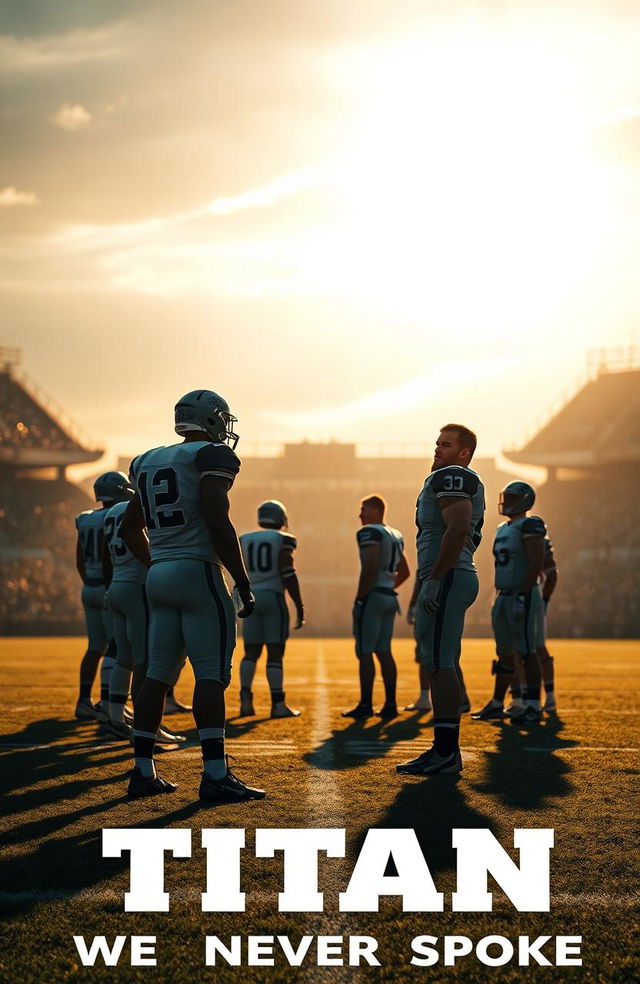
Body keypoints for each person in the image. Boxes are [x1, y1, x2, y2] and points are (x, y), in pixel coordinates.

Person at [120, 389, 264, 802]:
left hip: (160, 573)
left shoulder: (144, 460)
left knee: (157, 674)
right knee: (211, 674)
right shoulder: (212, 457)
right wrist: (241, 578)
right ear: (214, 419)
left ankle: (143, 771)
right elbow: (217, 518)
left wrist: (158, 566)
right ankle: (216, 775)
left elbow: (132, 526)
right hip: (198, 569)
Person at [397, 425, 485, 776]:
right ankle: (444, 748)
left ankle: (446, 752)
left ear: (463, 452)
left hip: (449, 574)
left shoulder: (453, 475)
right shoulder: (446, 475)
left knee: (440, 662)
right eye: (437, 443)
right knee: (439, 661)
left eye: (446, 444)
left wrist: (435, 578)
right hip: (449, 574)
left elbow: (459, 527)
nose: (438, 449)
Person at [101, 494, 186, 745]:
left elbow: (106, 555)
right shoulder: (140, 505)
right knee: (145, 661)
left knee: (124, 657)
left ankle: (115, 719)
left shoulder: (111, 512)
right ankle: (144, 726)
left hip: (117, 584)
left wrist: (109, 586)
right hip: (137, 586)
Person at [471, 481, 546, 725]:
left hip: (521, 594)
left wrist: (523, 594)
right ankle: (497, 703)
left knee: (526, 650)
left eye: (513, 498)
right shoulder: (502, 528)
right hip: (503, 594)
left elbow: (535, 561)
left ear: (525, 500)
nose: (507, 501)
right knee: (504, 652)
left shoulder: (531, 524)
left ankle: (533, 705)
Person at [343, 494, 409, 720]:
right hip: (389, 597)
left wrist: (361, 598)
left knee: (365, 651)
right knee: (384, 651)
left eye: (364, 509)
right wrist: (388, 587)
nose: (360, 514)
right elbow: (405, 571)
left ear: (376, 510)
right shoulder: (395, 534)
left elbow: (370, 567)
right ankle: (390, 704)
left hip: (374, 597)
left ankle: (366, 704)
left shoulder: (369, 532)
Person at [238, 500, 305, 718]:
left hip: (251, 597)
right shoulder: (283, 539)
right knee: (275, 652)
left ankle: (245, 700)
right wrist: (299, 605)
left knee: (251, 652)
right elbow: (288, 573)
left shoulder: (245, 539)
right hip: (273, 597)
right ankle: (278, 704)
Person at [74, 472, 128, 722]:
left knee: (95, 647)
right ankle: (109, 703)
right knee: (116, 645)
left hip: (90, 586)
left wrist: (90, 582)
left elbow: (79, 559)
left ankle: (84, 700)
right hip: (111, 584)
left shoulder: (84, 519)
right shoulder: (117, 515)